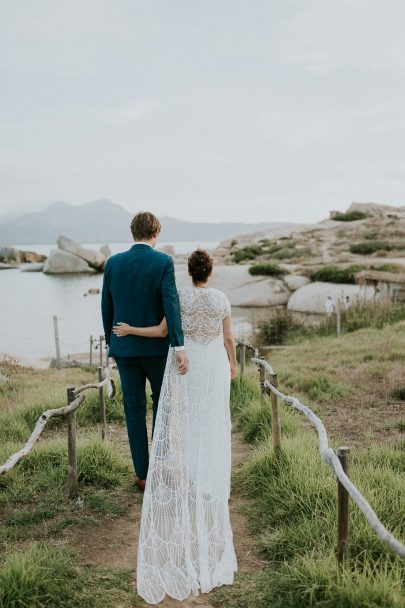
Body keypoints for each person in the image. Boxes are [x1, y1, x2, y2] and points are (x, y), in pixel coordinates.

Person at [113, 248, 238, 604]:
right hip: (212, 363)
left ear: (188, 271)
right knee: (213, 420)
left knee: (188, 418)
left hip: (187, 365)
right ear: (210, 272)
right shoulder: (221, 298)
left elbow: (166, 331)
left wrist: (130, 329)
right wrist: (232, 363)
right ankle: (208, 476)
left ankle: (190, 470)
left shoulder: (180, 296)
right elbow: (228, 338)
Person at [101, 211, 189, 492]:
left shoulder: (113, 263)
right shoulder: (163, 262)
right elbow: (171, 304)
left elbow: (107, 306)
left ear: (132, 232)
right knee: (162, 408)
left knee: (133, 410)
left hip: (124, 349)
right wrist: (178, 345)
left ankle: (142, 474)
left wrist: (110, 343)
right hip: (155, 350)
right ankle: (161, 468)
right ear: (156, 233)